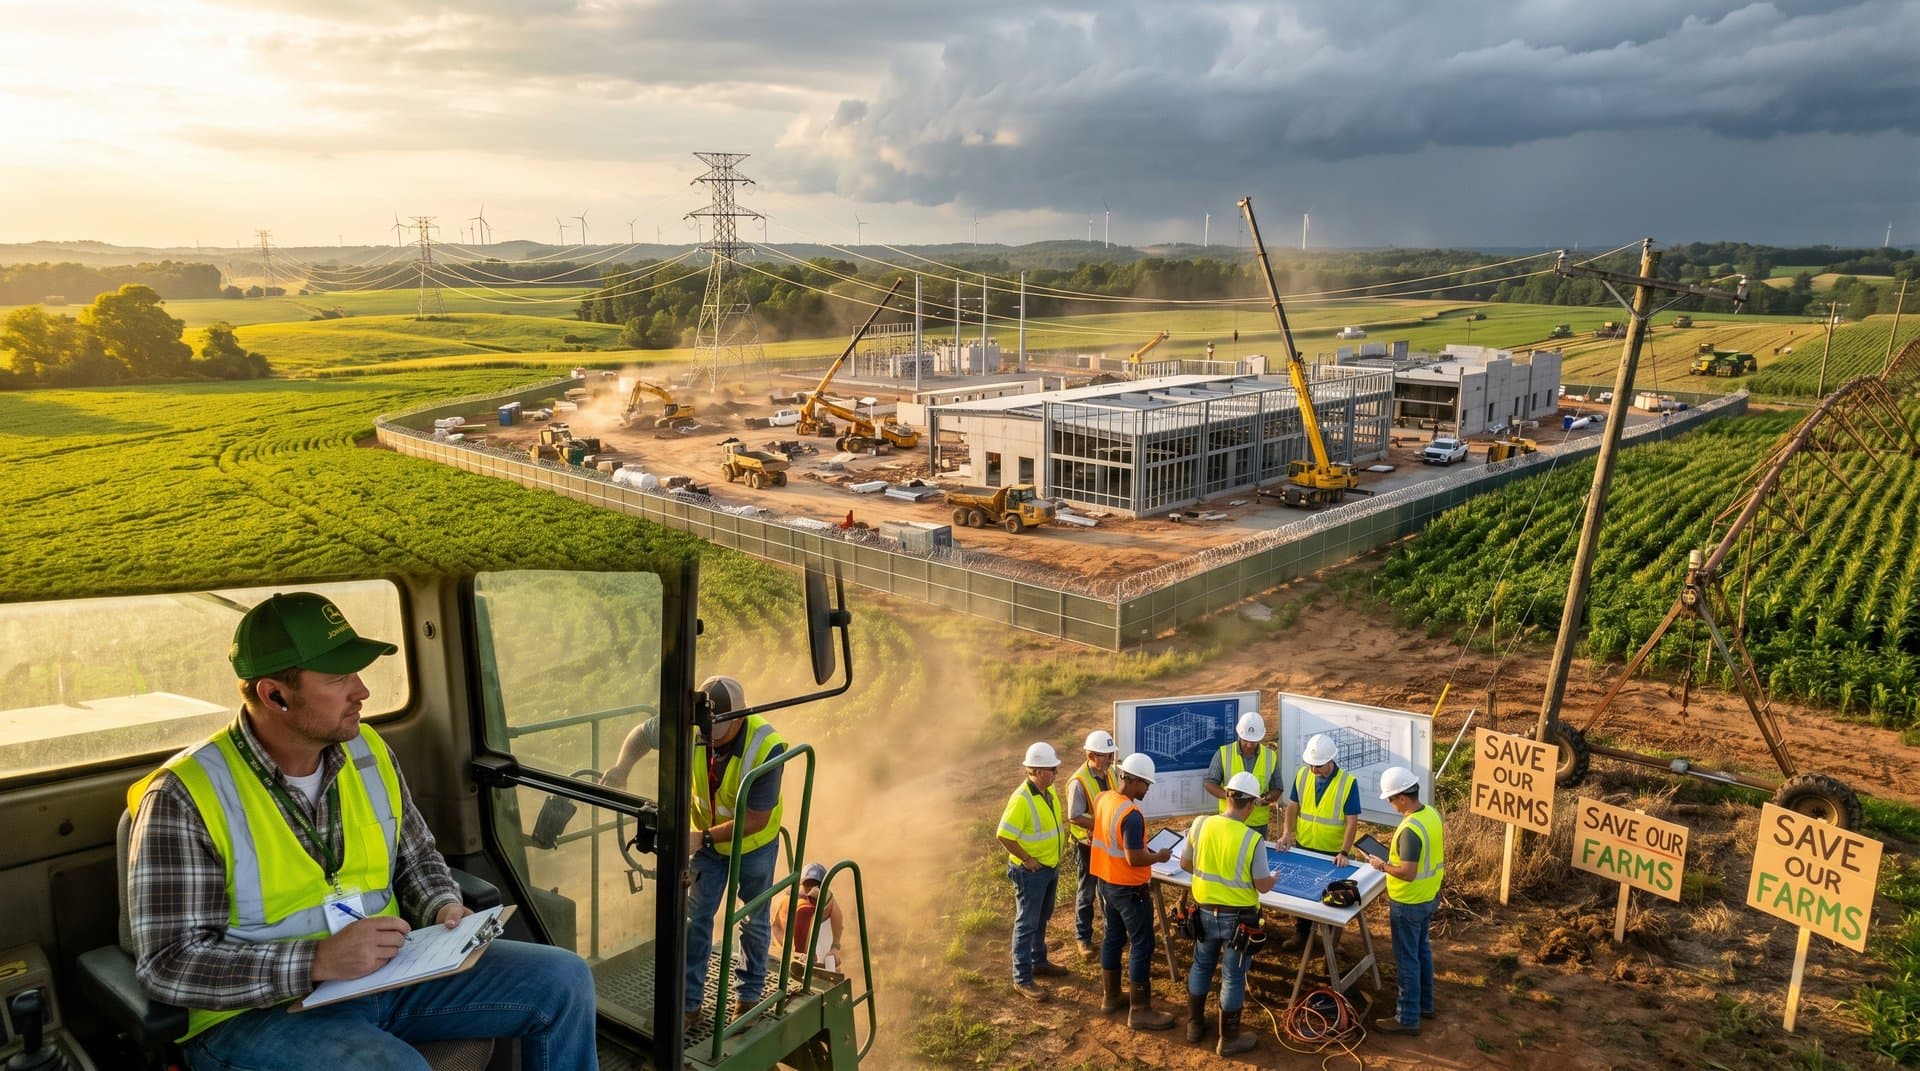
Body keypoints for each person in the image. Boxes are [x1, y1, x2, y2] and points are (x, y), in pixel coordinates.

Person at [126, 592, 597, 1071]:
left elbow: (416, 858)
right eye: (338, 678)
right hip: (259, 1014)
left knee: (564, 979)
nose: (362, 690)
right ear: (275, 695)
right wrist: (316, 960)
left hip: (387, 974)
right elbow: (170, 965)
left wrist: (442, 905)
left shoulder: (366, 751)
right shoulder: (184, 796)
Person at [682, 675, 786, 1030]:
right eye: (706, 729)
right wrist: (621, 767)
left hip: (752, 846)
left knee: (753, 919)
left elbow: (756, 819)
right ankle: (688, 1004)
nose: (709, 738)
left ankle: (748, 997)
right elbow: (645, 733)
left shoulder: (766, 747)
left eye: (718, 730)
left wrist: (702, 838)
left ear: (739, 718)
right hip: (706, 843)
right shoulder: (694, 725)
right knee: (695, 918)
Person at [1180, 772, 1277, 1055]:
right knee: (1233, 976)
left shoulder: (1200, 824)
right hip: (1239, 921)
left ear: (1228, 796)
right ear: (1251, 805)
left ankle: (1194, 1026)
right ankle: (1229, 1039)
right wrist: (1273, 879)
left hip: (1203, 913)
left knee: (1201, 965)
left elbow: (1185, 864)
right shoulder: (1252, 839)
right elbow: (1262, 885)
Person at [1089, 752, 1175, 1031]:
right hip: (1129, 889)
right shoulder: (1132, 815)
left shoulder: (1104, 799)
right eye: (1146, 784)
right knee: (1142, 944)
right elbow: (1134, 857)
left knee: (1113, 937)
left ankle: (1111, 997)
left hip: (1106, 882)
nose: (1147, 790)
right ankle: (1140, 1010)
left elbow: (1110, 839)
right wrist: (1158, 856)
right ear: (1135, 780)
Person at [1366, 765, 1445, 1036]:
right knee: (1422, 951)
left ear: (1402, 798)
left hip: (1409, 903)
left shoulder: (1410, 829)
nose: (1390, 804)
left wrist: (1381, 865)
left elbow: (1408, 872)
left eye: (1391, 799)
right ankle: (1425, 1005)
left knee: (1407, 960)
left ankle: (1407, 1018)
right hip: (1428, 897)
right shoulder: (1430, 813)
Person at [996, 742, 1070, 1002]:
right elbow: (1004, 834)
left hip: (1049, 867)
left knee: (1041, 917)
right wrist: (1026, 859)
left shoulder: (1047, 791)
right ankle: (1022, 978)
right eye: (1052, 769)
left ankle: (1039, 961)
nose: (1056, 773)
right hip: (1031, 873)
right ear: (1037, 771)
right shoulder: (1021, 799)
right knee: (1027, 923)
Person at [1277, 732, 1361, 952]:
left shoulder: (1348, 783)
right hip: (1305, 846)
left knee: (1333, 900)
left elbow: (1352, 821)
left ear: (1331, 760)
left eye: (1318, 766)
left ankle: (1331, 944)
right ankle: (1301, 934)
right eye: (1311, 765)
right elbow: (1292, 807)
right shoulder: (1303, 775)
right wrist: (1286, 833)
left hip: (1333, 854)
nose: (1313, 769)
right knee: (1304, 896)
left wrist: (1344, 851)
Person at [1065, 729, 1118, 958]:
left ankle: (1111, 933)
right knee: (1087, 892)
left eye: (1111, 755)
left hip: (1106, 843)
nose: (1110, 759)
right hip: (1086, 846)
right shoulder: (1078, 782)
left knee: (1107, 890)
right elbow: (1074, 816)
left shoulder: (1110, 773)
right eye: (1105, 755)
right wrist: (1099, 824)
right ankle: (1083, 938)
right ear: (1091, 756)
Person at [1203, 711, 1282, 837]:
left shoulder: (1270, 756)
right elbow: (1209, 783)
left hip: (1257, 824)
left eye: (1254, 741)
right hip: (1229, 821)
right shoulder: (1224, 753)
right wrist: (1229, 796)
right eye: (1246, 740)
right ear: (1239, 734)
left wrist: (1266, 798)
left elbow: (1277, 788)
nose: (1249, 745)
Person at [771, 862, 844, 973]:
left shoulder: (827, 900)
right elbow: (776, 926)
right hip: (786, 950)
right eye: (807, 884)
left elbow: (838, 921)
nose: (810, 889)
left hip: (793, 950)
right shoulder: (788, 899)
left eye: (815, 885)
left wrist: (835, 948)